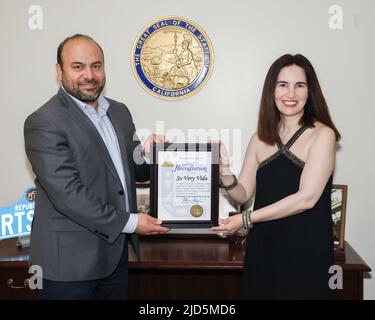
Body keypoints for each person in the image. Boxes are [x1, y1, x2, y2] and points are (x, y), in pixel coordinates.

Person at [24, 34, 169, 300]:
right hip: (68, 264)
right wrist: (132, 222)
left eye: (96, 65)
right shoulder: (44, 121)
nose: (89, 75)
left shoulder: (119, 112)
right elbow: (68, 195)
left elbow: (134, 172)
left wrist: (149, 155)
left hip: (114, 257)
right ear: (59, 71)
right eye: (78, 66)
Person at [212, 54, 341, 299]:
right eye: (283, 85)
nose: (290, 94)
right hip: (263, 248)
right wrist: (225, 173)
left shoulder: (323, 135)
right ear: (271, 90)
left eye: (299, 85)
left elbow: (307, 198)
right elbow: (244, 193)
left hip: (306, 250)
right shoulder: (259, 138)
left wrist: (246, 219)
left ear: (309, 91)